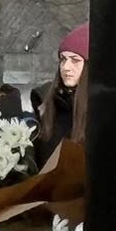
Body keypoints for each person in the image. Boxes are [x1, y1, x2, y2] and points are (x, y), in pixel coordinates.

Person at [35, 23, 89, 165]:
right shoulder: (47, 106)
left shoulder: (101, 113)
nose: (66, 67)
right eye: (63, 59)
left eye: (75, 60)